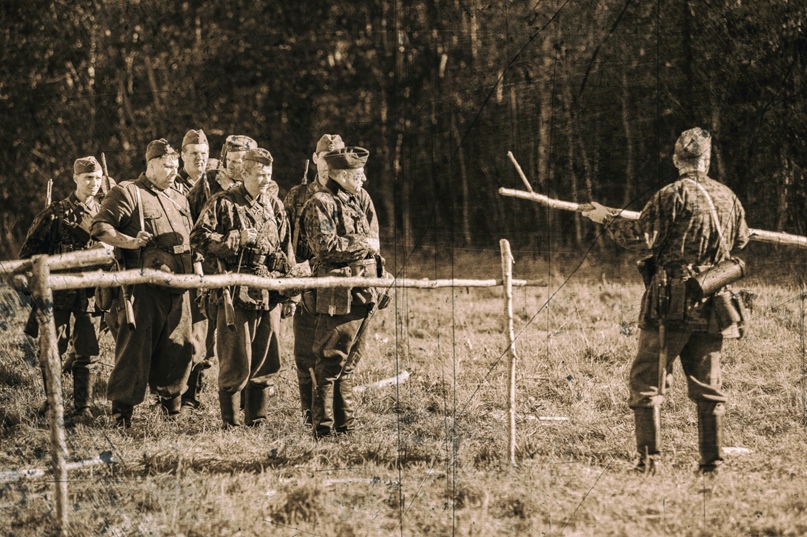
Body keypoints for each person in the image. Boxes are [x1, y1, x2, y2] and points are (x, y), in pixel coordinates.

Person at [583, 127, 750, 474]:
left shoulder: (671, 195)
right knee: (708, 387)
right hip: (713, 300)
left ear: (677, 160)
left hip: (668, 304)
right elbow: (742, 241)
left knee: (647, 382)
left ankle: (649, 463)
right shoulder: (728, 196)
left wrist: (606, 218)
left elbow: (639, 239)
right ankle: (712, 465)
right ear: (706, 159)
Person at [91, 139, 196, 427]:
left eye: (175, 166)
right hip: (142, 289)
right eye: (166, 166)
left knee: (180, 347)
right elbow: (100, 227)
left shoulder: (179, 199)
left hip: (178, 287)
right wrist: (128, 241)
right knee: (134, 352)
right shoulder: (128, 192)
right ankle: (121, 416)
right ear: (150, 166)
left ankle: (171, 412)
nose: (173, 172)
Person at [190, 147, 294, 427]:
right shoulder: (222, 203)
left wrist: (290, 291)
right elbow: (198, 239)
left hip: (269, 292)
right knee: (236, 358)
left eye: (268, 175)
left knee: (267, 355)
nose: (264, 180)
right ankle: (231, 422)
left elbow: (287, 248)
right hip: (235, 293)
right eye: (259, 174)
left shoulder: (275, 205)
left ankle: (257, 418)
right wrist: (234, 239)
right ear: (244, 173)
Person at [302, 146, 385, 439]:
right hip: (340, 293)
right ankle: (323, 431)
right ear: (341, 175)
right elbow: (323, 247)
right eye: (358, 175)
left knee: (349, 365)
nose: (363, 180)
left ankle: (345, 428)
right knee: (329, 363)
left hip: (364, 293)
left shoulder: (356, 201)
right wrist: (362, 245)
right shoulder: (320, 202)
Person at [20, 156, 106, 418]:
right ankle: (52, 402)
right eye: (88, 177)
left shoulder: (104, 213)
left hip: (88, 292)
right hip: (56, 293)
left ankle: (84, 407)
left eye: (97, 178)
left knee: (88, 352)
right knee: (52, 348)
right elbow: (29, 253)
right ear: (75, 179)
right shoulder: (55, 213)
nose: (93, 183)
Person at [284, 133, 346, 425]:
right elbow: (285, 242)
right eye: (324, 159)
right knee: (305, 354)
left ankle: (332, 417)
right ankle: (311, 415)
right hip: (307, 287)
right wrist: (292, 279)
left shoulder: (349, 195)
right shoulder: (297, 195)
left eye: (335, 160)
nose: (328, 166)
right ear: (315, 159)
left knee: (334, 356)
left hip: (338, 287)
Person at [176, 128, 213, 410]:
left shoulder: (213, 184)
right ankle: (177, 393)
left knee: (206, 332)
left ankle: (193, 392)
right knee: (185, 331)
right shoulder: (172, 185)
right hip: (183, 267)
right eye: (193, 154)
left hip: (212, 267)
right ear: (181, 156)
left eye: (204, 154)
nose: (199, 159)